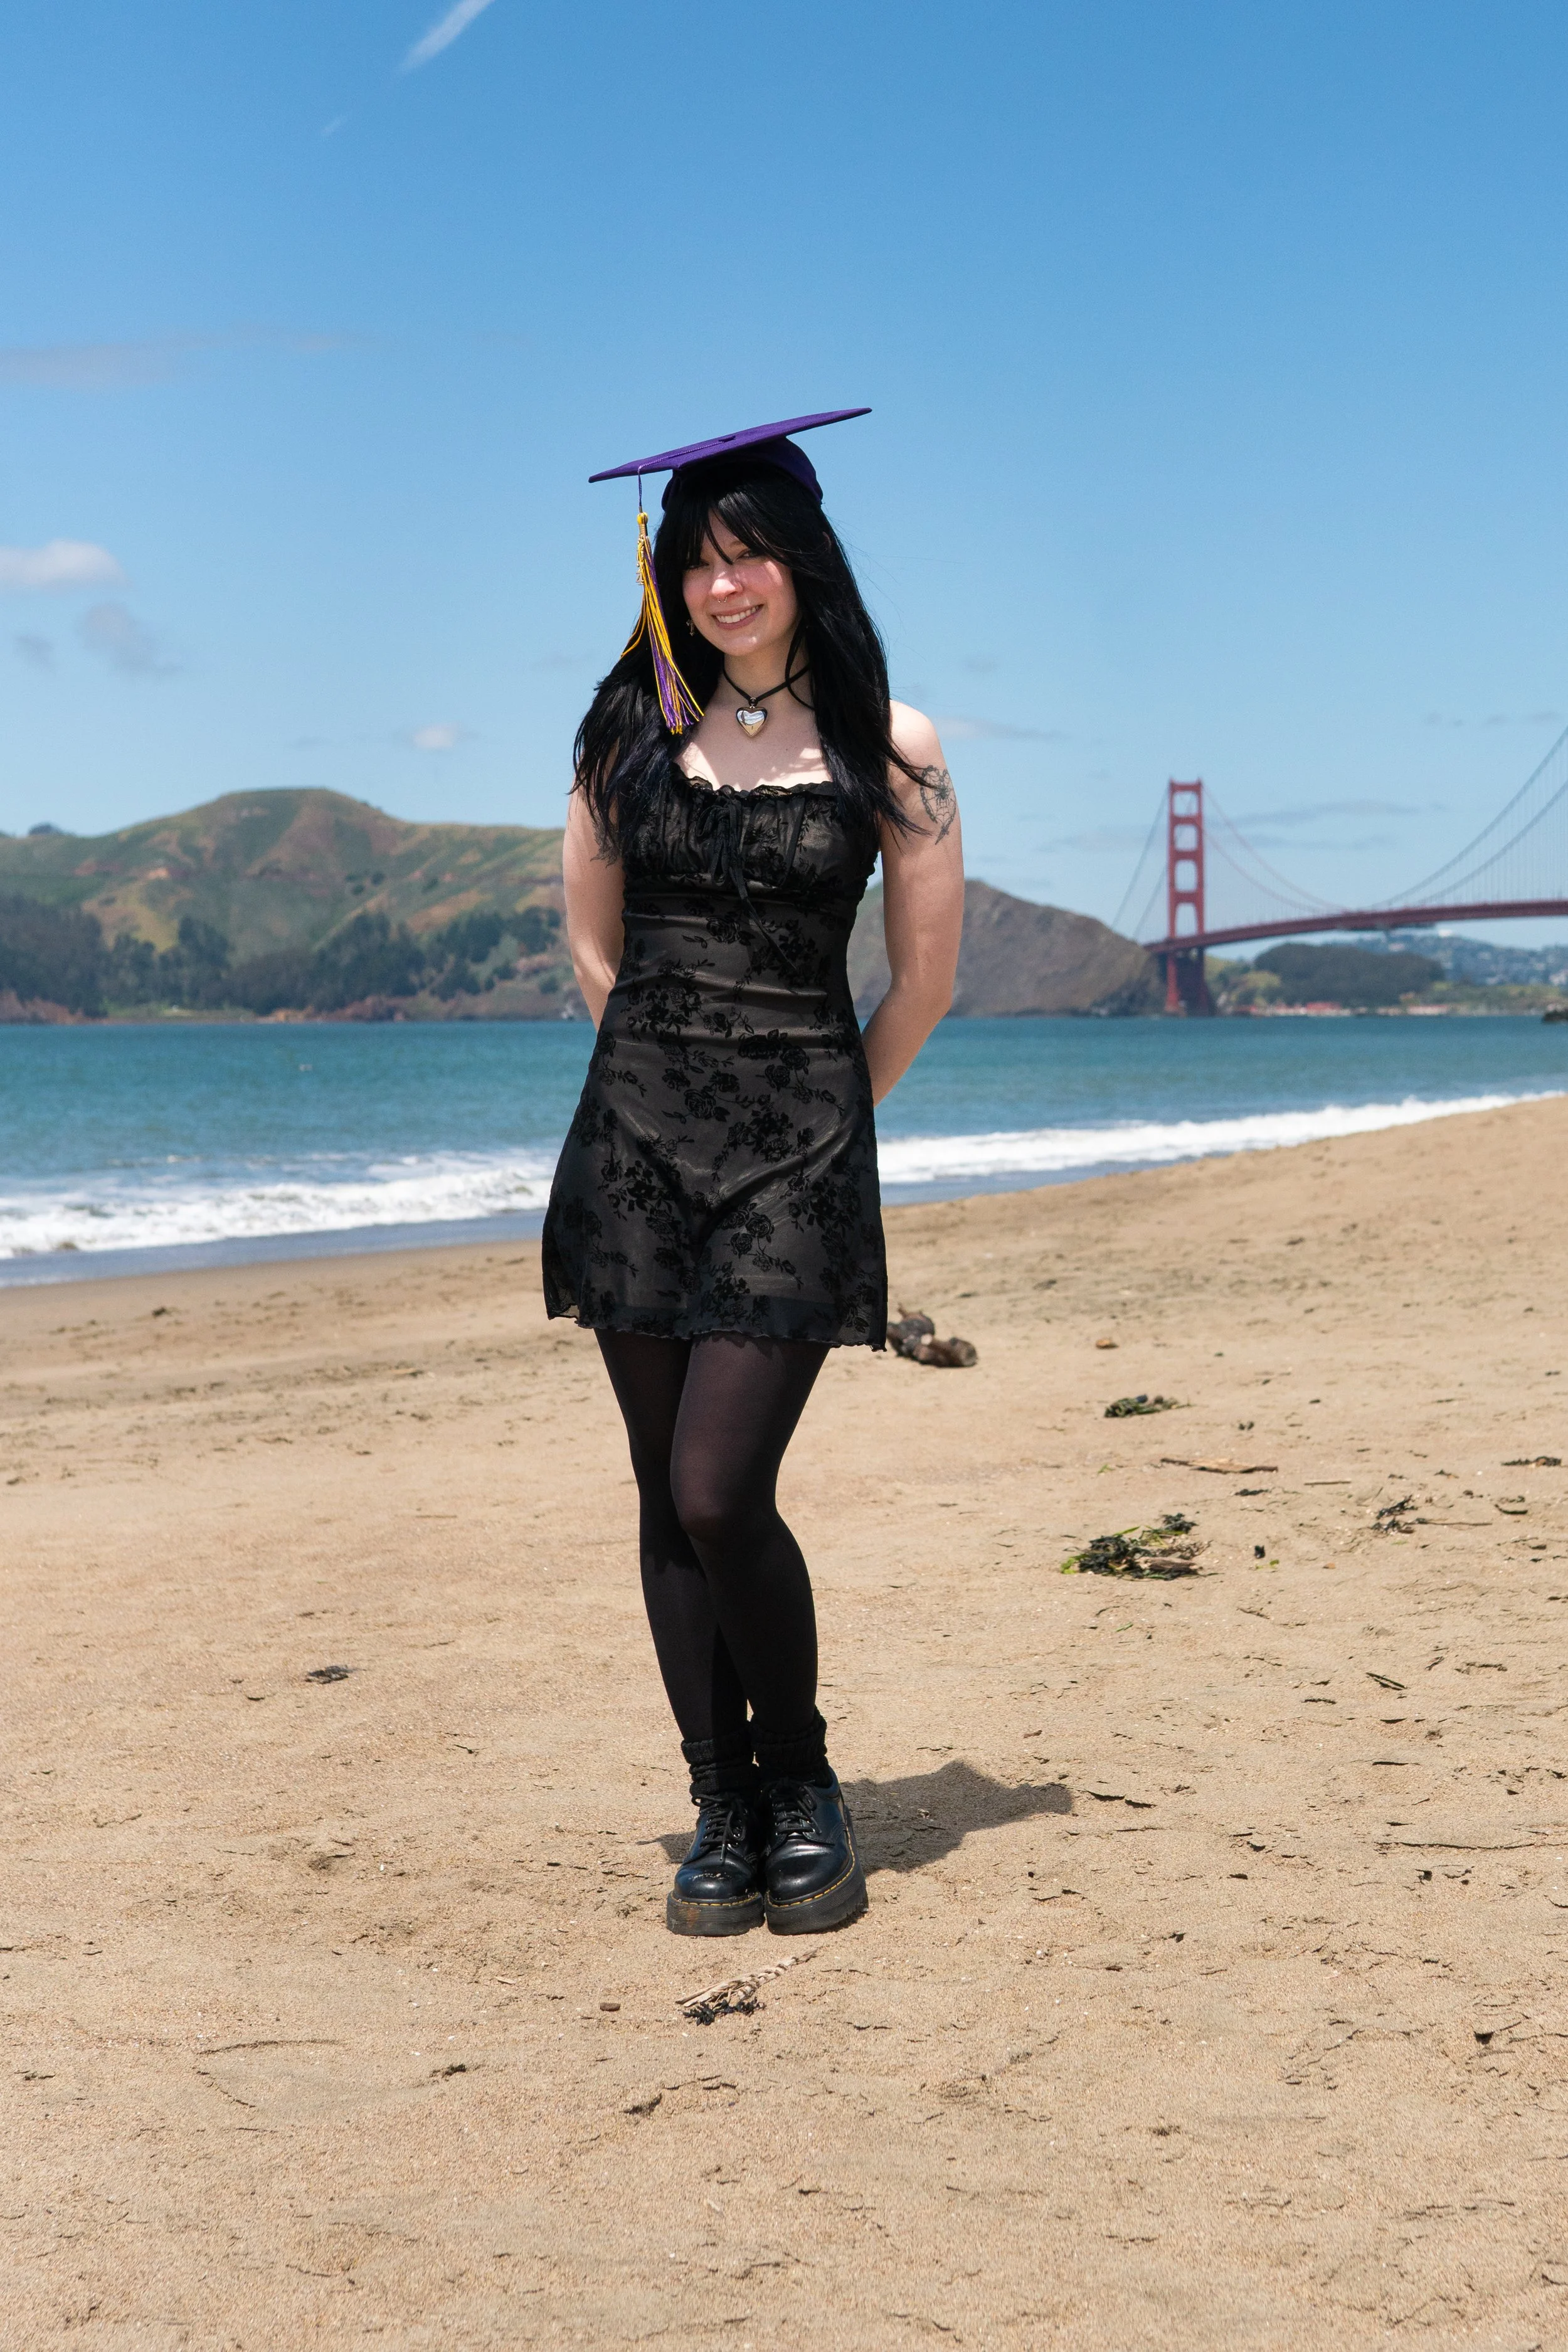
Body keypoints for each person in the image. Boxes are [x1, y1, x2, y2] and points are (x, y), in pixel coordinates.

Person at [542, 411, 963, 1937]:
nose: (725, 586)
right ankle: (720, 1807)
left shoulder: (890, 747)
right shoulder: (623, 735)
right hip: (634, 1154)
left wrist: (816, 1115)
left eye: (751, 555)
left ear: (803, 562)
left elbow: (920, 984)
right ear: (669, 579)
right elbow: (593, 948)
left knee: (722, 1488)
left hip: (798, 1159)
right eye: (699, 561)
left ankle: (803, 1781)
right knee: (664, 1495)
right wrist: (665, 1087)